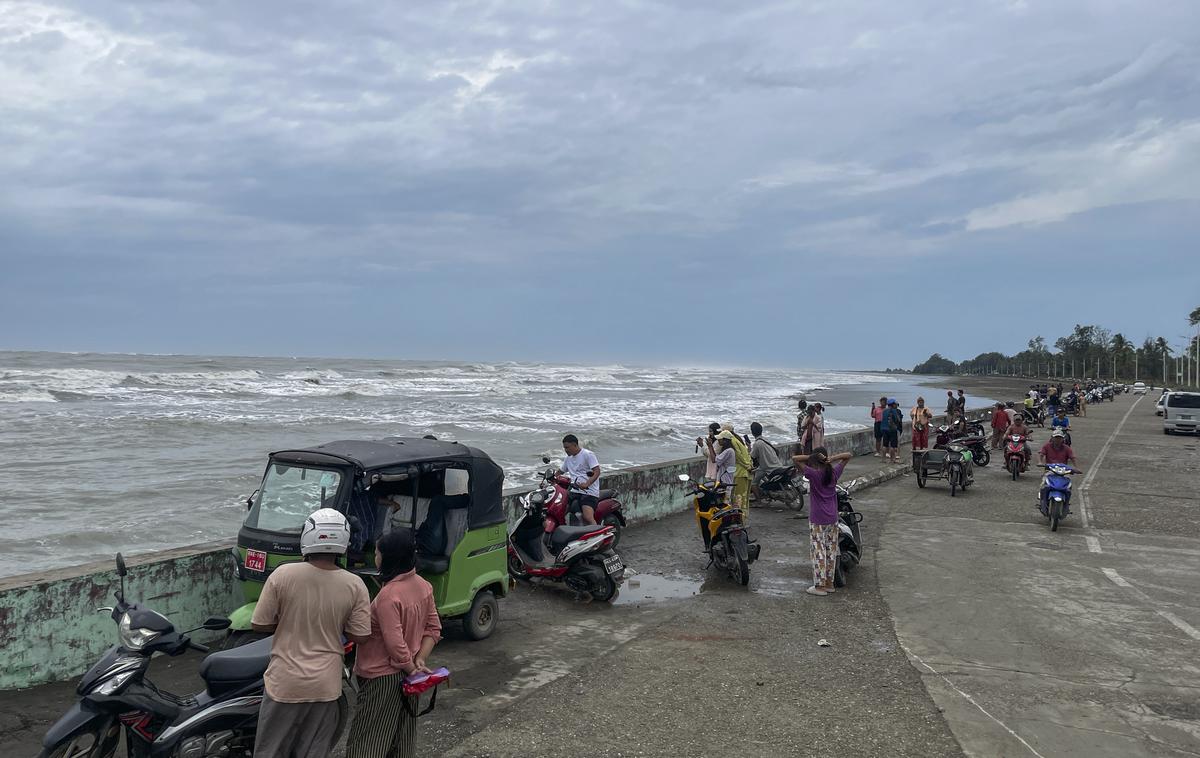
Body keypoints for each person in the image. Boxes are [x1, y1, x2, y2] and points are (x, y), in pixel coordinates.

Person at [251, 509, 373, 758]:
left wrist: (288, 621)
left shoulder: (283, 574)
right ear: (344, 542)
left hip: (285, 683)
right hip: (325, 685)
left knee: (271, 751)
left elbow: (259, 623)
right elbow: (361, 635)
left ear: (307, 536)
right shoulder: (354, 584)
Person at [345, 528, 441, 758]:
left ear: (389, 558)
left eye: (378, 553)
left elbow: (395, 644)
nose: (375, 558)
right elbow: (433, 628)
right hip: (409, 676)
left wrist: (411, 668)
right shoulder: (423, 585)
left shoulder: (389, 596)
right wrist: (419, 662)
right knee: (401, 739)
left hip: (383, 677)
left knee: (367, 743)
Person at [792, 447, 852, 596]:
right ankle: (829, 583)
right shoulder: (833, 473)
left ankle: (819, 586)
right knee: (831, 551)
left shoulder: (814, 474)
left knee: (818, 552)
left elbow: (795, 459)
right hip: (832, 517)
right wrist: (832, 458)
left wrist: (812, 456)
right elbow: (848, 455)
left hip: (818, 518)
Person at [559, 434, 600, 525]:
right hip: (574, 490)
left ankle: (597, 535)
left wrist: (587, 484)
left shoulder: (588, 455)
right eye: (564, 448)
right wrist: (550, 478)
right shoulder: (568, 458)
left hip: (588, 492)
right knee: (559, 510)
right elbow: (560, 471)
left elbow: (597, 471)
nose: (566, 450)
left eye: (567, 447)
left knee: (588, 517)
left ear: (575, 445)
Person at [1038, 431, 1081, 514]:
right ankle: (1042, 500)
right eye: (1056, 438)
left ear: (1063, 439)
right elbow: (1041, 454)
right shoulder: (1047, 446)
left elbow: (1073, 458)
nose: (1058, 440)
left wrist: (1076, 468)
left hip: (1064, 472)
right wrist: (1040, 462)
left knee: (1068, 488)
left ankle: (1066, 504)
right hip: (1050, 470)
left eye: (1060, 438)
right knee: (1044, 485)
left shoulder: (1066, 448)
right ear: (1052, 438)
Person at [719, 425, 753, 512]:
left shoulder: (733, 441)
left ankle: (741, 518)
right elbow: (746, 454)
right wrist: (749, 465)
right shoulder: (738, 439)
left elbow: (739, 456)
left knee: (738, 497)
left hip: (740, 472)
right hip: (745, 472)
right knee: (744, 497)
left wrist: (747, 465)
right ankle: (743, 517)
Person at [749, 422, 783, 500]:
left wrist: (748, 446)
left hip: (766, 467)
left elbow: (752, 456)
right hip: (777, 464)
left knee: (753, 484)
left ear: (752, 432)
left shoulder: (757, 444)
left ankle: (759, 501)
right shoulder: (765, 440)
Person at [881, 398, 903, 464]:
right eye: (895, 404)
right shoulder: (894, 411)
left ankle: (883, 459)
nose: (896, 405)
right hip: (892, 430)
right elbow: (897, 420)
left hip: (884, 429)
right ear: (893, 404)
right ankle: (892, 460)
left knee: (885, 445)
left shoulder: (884, 411)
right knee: (893, 446)